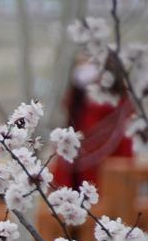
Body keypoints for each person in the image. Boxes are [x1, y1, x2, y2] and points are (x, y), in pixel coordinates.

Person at [53, 52, 134, 189]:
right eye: (80, 63)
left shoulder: (118, 109)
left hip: (109, 182)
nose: (84, 68)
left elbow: (123, 154)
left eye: (90, 63)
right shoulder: (75, 102)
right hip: (76, 181)